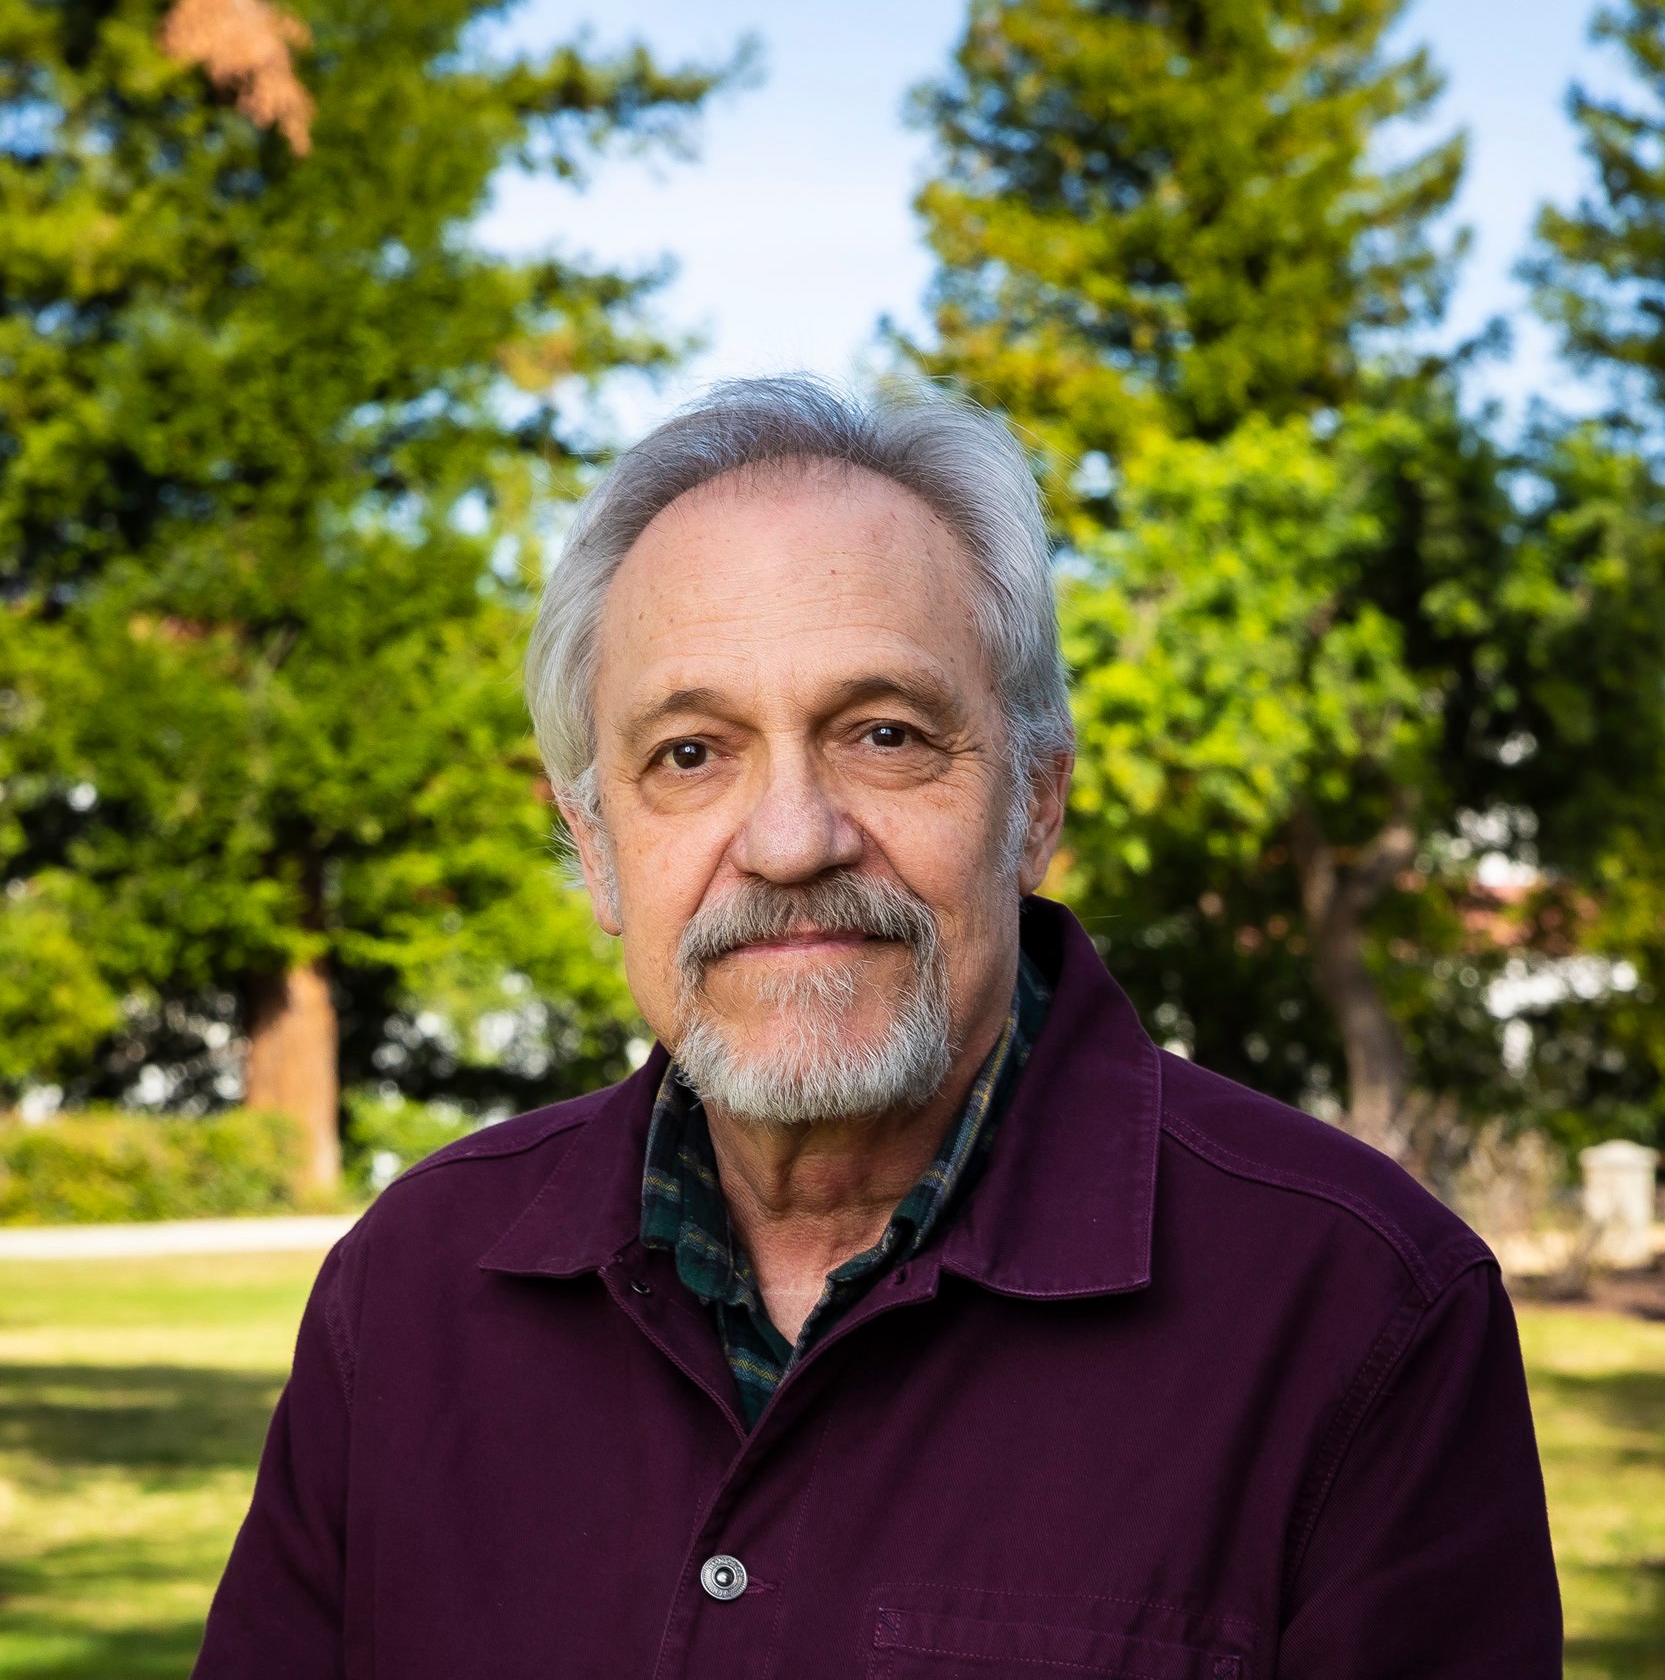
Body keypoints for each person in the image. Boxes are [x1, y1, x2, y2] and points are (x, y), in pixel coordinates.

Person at [194, 376, 1562, 1678]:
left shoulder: (1359, 1314)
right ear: (597, 848)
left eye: (888, 734)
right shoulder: (408, 1296)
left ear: (1033, 802)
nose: (791, 840)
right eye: (690, 754)